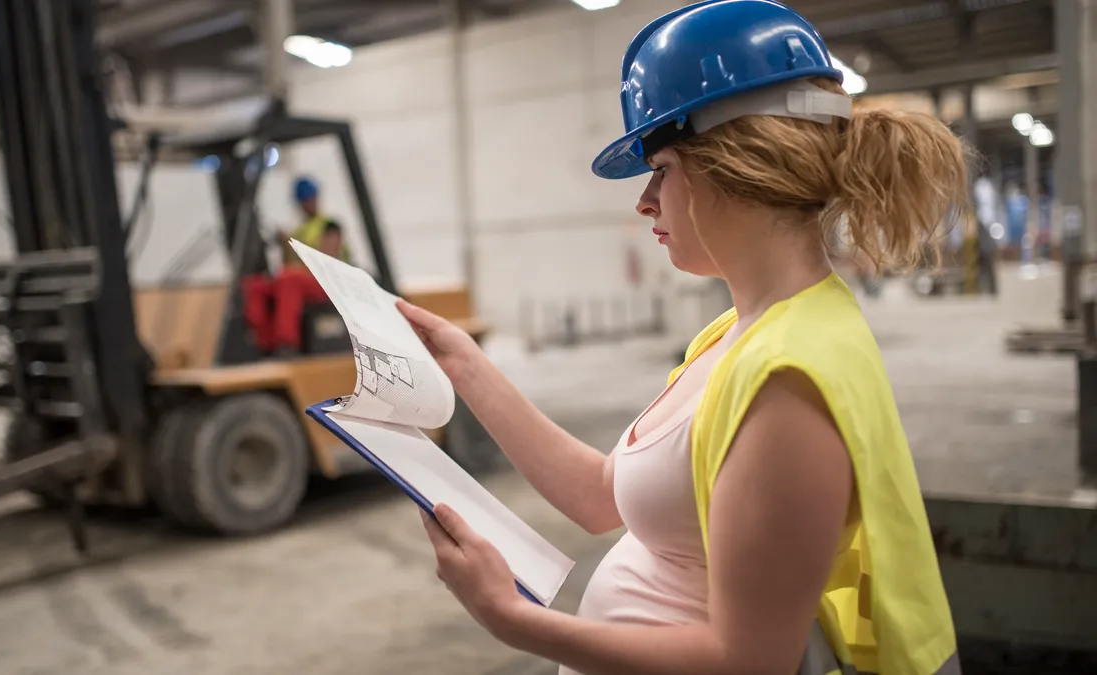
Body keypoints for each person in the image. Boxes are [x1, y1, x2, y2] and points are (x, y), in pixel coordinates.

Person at [396, 2, 966, 675]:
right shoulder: (744, 331)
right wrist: (466, 365)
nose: (644, 202)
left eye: (660, 169)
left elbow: (748, 660)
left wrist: (516, 620)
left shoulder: (789, 382)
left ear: (739, 163)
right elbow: (604, 493)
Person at [242, 175, 350, 355]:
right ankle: (263, 343)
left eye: (311, 199)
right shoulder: (299, 229)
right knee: (255, 285)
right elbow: (288, 263)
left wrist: (292, 246)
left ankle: (287, 343)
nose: (309, 204)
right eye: (305, 201)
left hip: (328, 281)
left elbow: (326, 259)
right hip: (303, 280)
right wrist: (284, 245)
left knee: (288, 279)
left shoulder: (329, 226)